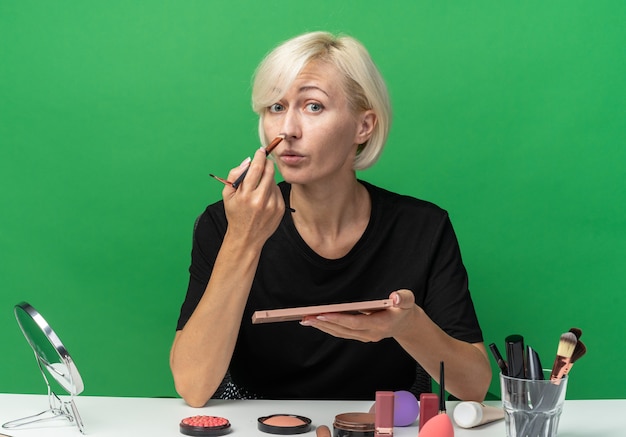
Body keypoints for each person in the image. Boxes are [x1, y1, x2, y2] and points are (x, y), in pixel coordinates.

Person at [170, 31, 492, 407]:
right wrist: (244, 237)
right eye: (276, 107)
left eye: (313, 107)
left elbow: (473, 387)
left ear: (364, 126)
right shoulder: (227, 221)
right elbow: (192, 387)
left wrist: (409, 325)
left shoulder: (423, 228)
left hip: (386, 425)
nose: (287, 130)